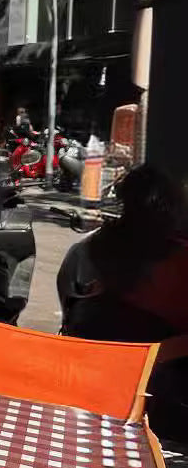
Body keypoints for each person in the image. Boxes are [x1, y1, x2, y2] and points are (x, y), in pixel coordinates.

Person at [57, 164, 188, 437]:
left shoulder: (86, 249)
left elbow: (69, 311)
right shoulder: (180, 260)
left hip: (89, 383)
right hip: (160, 399)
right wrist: (143, 357)